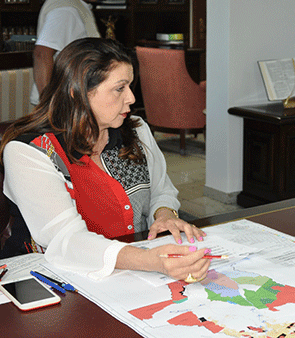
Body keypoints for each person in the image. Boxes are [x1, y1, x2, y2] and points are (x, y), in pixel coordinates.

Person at [0, 38, 210, 283]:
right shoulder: (30, 151)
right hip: (51, 280)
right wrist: (150, 261)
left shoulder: (137, 130)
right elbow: (66, 239)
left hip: (130, 274)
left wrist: (165, 215)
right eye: (120, 88)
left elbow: (161, 190)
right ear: (77, 92)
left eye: (130, 86)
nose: (132, 98)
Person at [31, 0, 101, 106]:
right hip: (65, 104)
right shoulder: (66, 10)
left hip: (72, 99)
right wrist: (48, 105)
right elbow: (42, 53)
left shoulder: (74, 6)